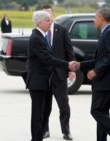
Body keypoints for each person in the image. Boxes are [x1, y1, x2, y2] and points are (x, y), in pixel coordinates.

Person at [71, 8, 110, 141]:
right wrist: (81, 65)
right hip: (105, 81)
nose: (94, 20)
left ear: (102, 18)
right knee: (102, 113)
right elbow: (100, 59)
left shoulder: (109, 33)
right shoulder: (105, 33)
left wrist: (96, 71)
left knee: (96, 111)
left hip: (106, 80)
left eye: (95, 17)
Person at [26, 10, 74, 141]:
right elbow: (47, 59)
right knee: (38, 114)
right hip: (38, 82)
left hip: (46, 81)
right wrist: (67, 65)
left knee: (45, 111)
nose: (51, 22)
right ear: (40, 22)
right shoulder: (36, 37)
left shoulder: (42, 35)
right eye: (48, 20)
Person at [41, 5, 75, 140]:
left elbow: (69, 50)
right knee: (45, 107)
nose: (47, 17)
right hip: (44, 76)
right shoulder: (39, 32)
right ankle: (45, 130)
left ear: (53, 14)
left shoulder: (62, 30)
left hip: (59, 75)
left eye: (49, 14)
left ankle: (66, 131)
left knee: (64, 106)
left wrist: (71, 69)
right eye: (44, 15)